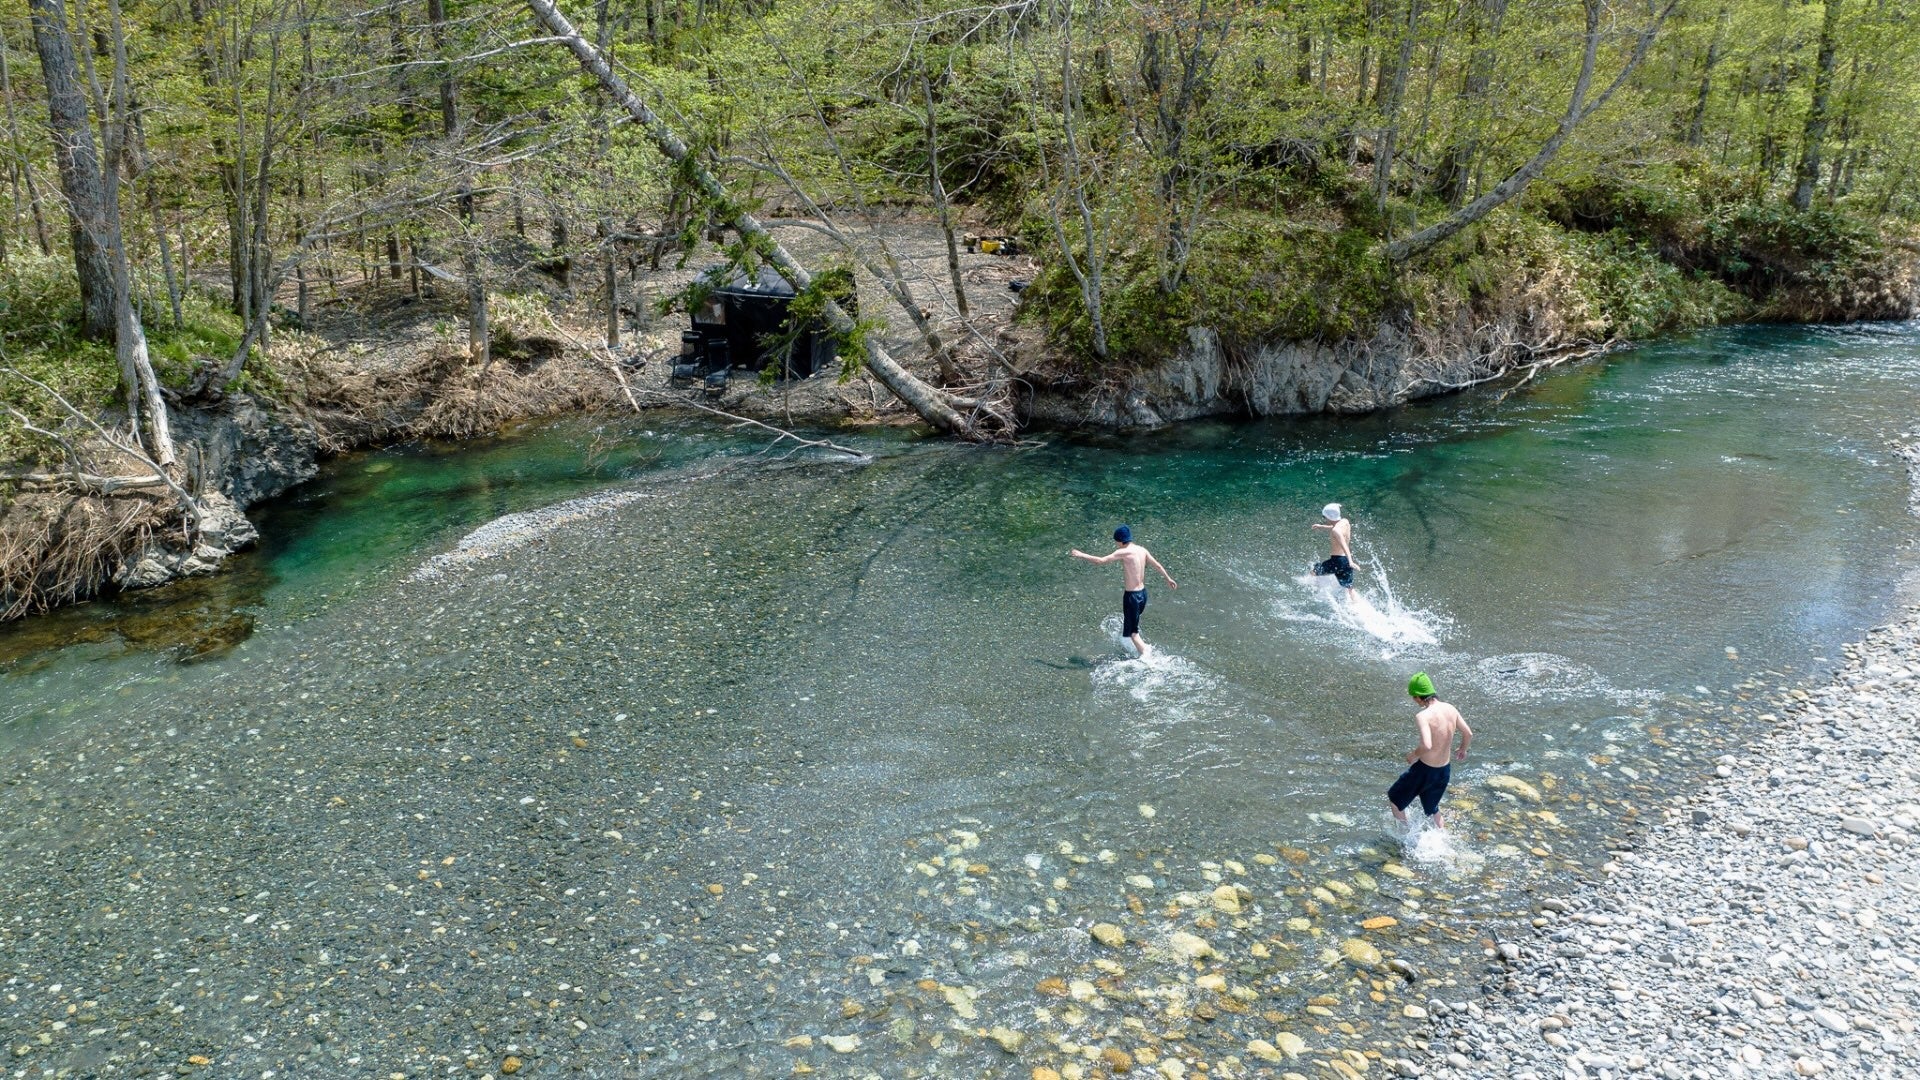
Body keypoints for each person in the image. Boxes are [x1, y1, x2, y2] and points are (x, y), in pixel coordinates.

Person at [1070, 525, 1176, 658]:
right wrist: (1168, 579)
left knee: (1132, 632)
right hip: (1143, 594)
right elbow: (1157, 565)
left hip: (1132, 596)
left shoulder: (1123, 552)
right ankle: (1135, 643)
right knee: (1131, 625)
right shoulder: (1142, 550)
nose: (1116, 544)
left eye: (1116, 542)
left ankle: (1145, 654)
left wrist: (1081, 554)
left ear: (1120, 541)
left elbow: (1100, 561)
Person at [1388, 672, 1471, 829]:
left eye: (1414, 697)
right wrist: (1463, 749)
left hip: (1425, 770)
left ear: (1419, 696)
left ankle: (1405, 837)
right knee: (1433, 808)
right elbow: (1468, 733)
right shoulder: (1450, 708)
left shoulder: (1423, 716)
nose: (1414, 701)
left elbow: (1427, 745)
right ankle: (1442, 838)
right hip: (1444, 770)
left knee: (1395, 798)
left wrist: (1413, 755)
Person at [1310, 502, 1355, 602]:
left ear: (1329, 517)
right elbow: (1335, 527)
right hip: (1345, 561)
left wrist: (1351, 561)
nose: (1325, 519)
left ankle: (1314, 590)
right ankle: (1357, 604)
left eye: (1325, 517)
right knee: (1349, 588)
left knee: (1314, 571)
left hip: (1337, 561)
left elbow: (1344, 546)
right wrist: (1321, 526)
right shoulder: (1345, 522)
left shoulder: (1336, 531)